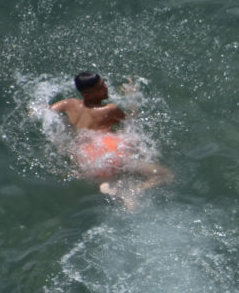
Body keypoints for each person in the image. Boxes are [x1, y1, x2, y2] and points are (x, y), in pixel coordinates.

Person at [50, 71, 172, 208]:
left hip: (86, 157)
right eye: (100, 88)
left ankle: (108, 186)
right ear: (88, 94)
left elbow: (46, 113)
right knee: (165, 174)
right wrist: (132, 97)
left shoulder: (68, 104)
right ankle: (137, 190)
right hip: (109, 150)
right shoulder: (110, 109)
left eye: (104, 84)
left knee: (107, 178)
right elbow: (132, 121)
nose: (106, 88)